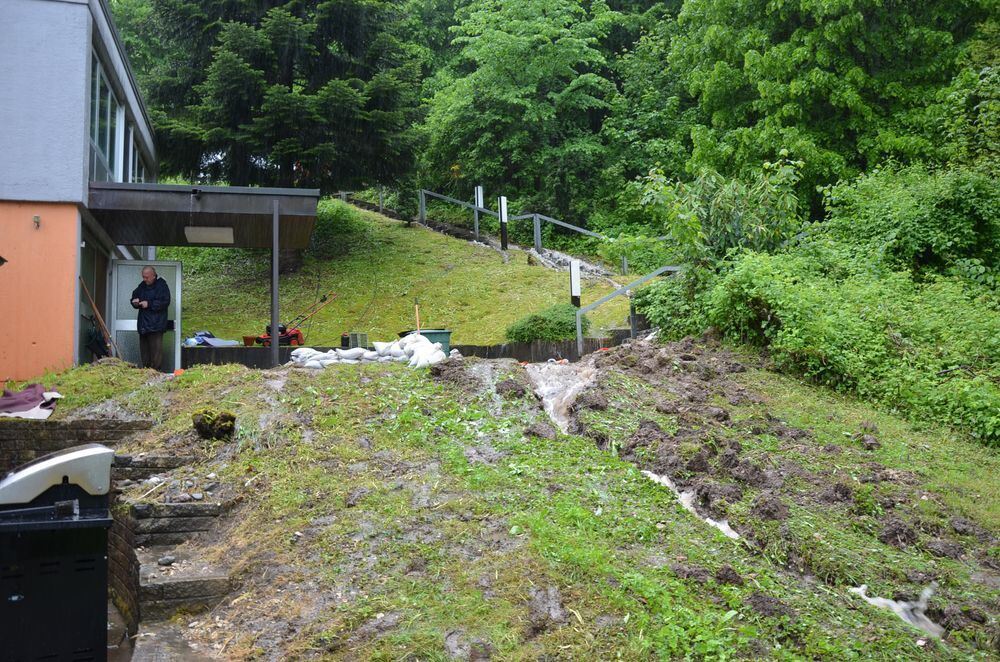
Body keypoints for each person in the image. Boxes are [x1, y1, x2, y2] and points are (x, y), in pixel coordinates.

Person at [130, 266, 171, 370]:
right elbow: (134, 296)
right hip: (143, 326)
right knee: (145, 355)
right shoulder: (142, 286)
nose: (144, 279)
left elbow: (165, 302)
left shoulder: (162, 286)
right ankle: (146, 373)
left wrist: (149, 304)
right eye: (143, 277)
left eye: (147, 277)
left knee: (156, 356)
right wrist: (134, 302)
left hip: (156, 326)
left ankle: (155, 373)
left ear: (153, 276)